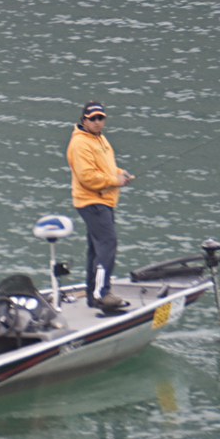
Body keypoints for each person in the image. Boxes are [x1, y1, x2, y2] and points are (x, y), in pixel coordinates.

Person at [66, 101, 134, 310]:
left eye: (100, 118)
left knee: (96, 249)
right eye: (92, 118)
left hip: (103, 200)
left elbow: (106, 167)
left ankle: (92, 295)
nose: (97, 122)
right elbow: (87, 177)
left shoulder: (100, 139)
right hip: (92, 201)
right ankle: (101, 293)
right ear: (84, 120)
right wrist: (115, 181)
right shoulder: (80, 144)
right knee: (108, 243)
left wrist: (120, 173)